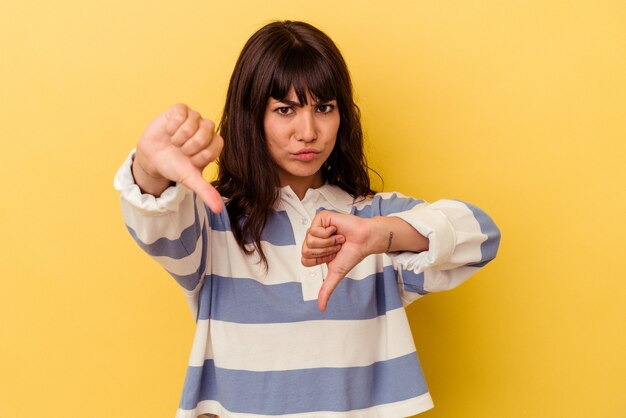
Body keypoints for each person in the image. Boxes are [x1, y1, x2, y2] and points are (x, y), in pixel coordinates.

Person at [114, 20, 500, 418]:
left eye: (324, 108)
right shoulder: (215, 222)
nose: (309, 131)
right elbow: (156, 223)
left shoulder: (373, 216)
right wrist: (149, 169)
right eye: (285, 110)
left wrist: (378, 235)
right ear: (252, 118)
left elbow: (481, 236)